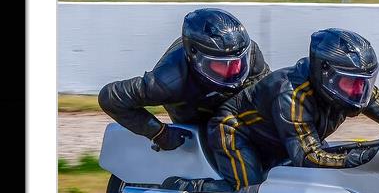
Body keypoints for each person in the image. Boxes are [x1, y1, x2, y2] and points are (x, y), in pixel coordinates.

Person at [191, 27, 379, 193]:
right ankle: (187, 189)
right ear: (326, 73)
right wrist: (363, 158)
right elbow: (309, 158)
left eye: (364, 82)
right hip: (234, 130)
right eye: (351, 83)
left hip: (283, 139)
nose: (358, 91)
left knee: (332, 180)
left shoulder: (353, 86)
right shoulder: (292, 94)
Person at [98, 8, 270, 152]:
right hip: (195, 117)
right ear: (196, 57)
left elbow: (269, 92)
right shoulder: (167, 80)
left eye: (239, 62)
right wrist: (160, 134)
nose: (234, 71)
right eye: (222, 65)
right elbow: (110, 97)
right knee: (228, 141)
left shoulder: (251, 54)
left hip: (233, 106)